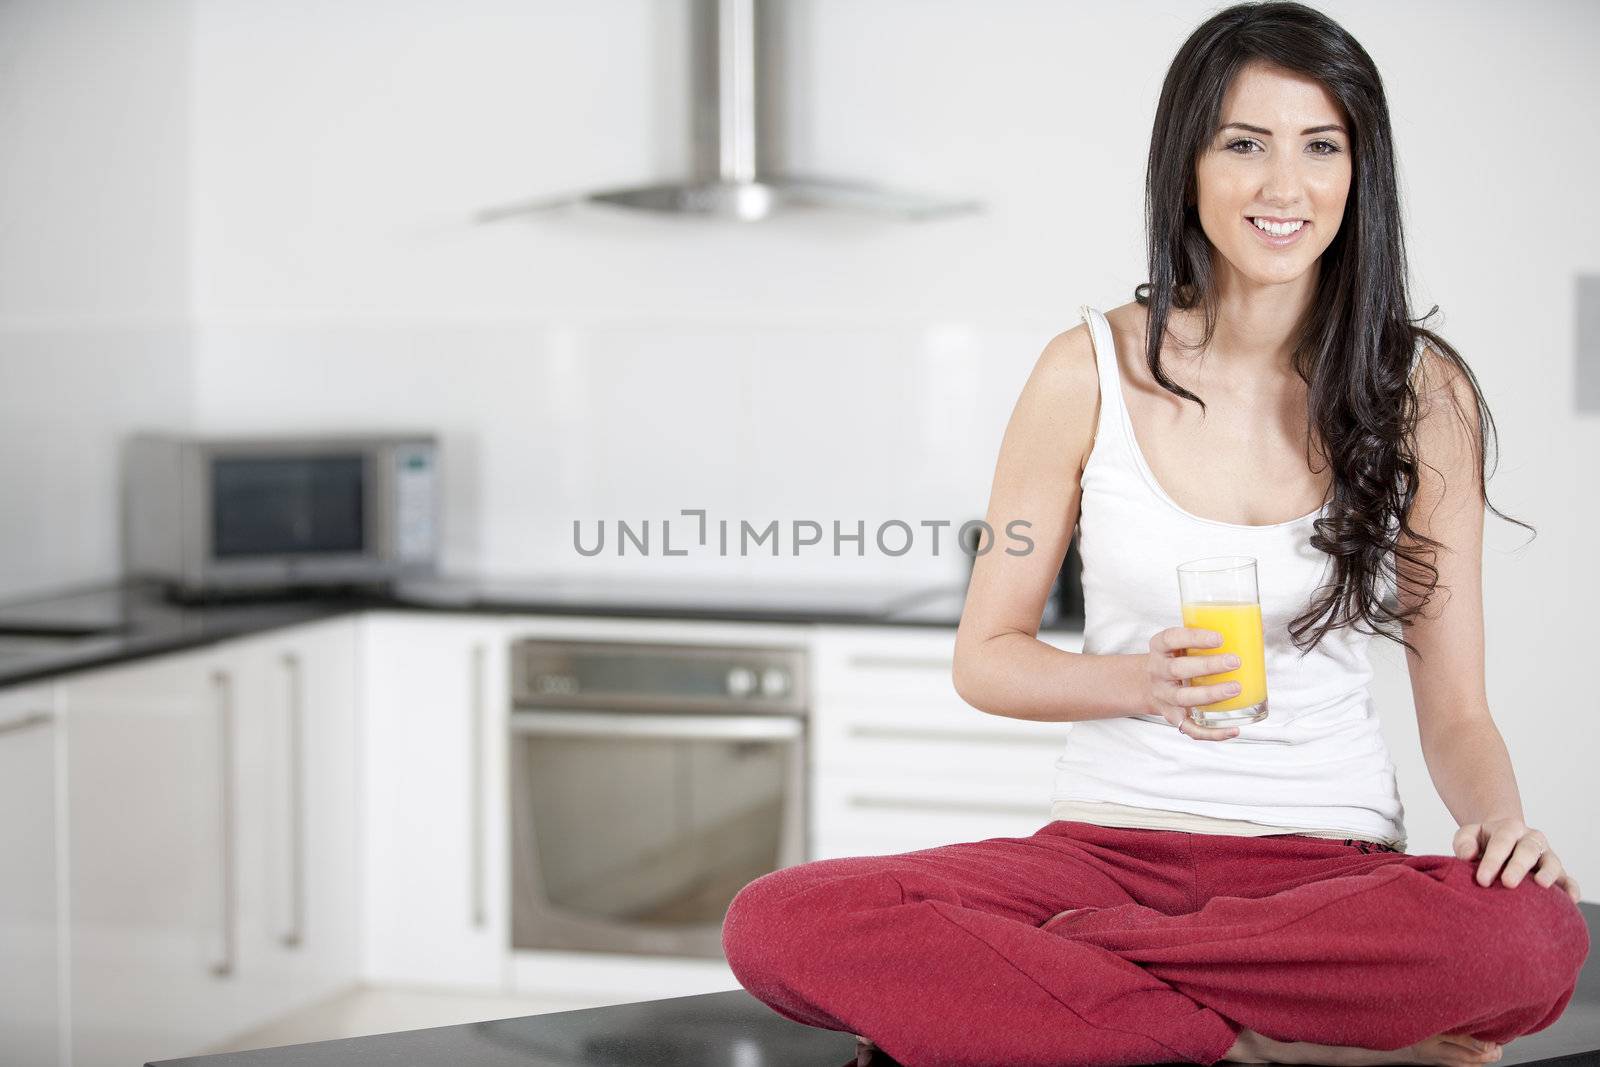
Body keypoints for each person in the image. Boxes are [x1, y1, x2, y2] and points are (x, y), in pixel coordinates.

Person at [720, 2, 1589, 1065]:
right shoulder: (1082, 369)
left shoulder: (1421, 391)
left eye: (1321, 147)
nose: (1284, 186)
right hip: (1099, 853)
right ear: (1188, 165)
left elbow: (1455, 709)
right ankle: (1271, 1045)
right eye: (1244, 145)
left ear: (1360, 174)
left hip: (1323, 876)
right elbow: (985, 657)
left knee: (1534, 935)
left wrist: (1497, 824)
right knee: (775, 919)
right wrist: (1137, 682)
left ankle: (1079, 983)